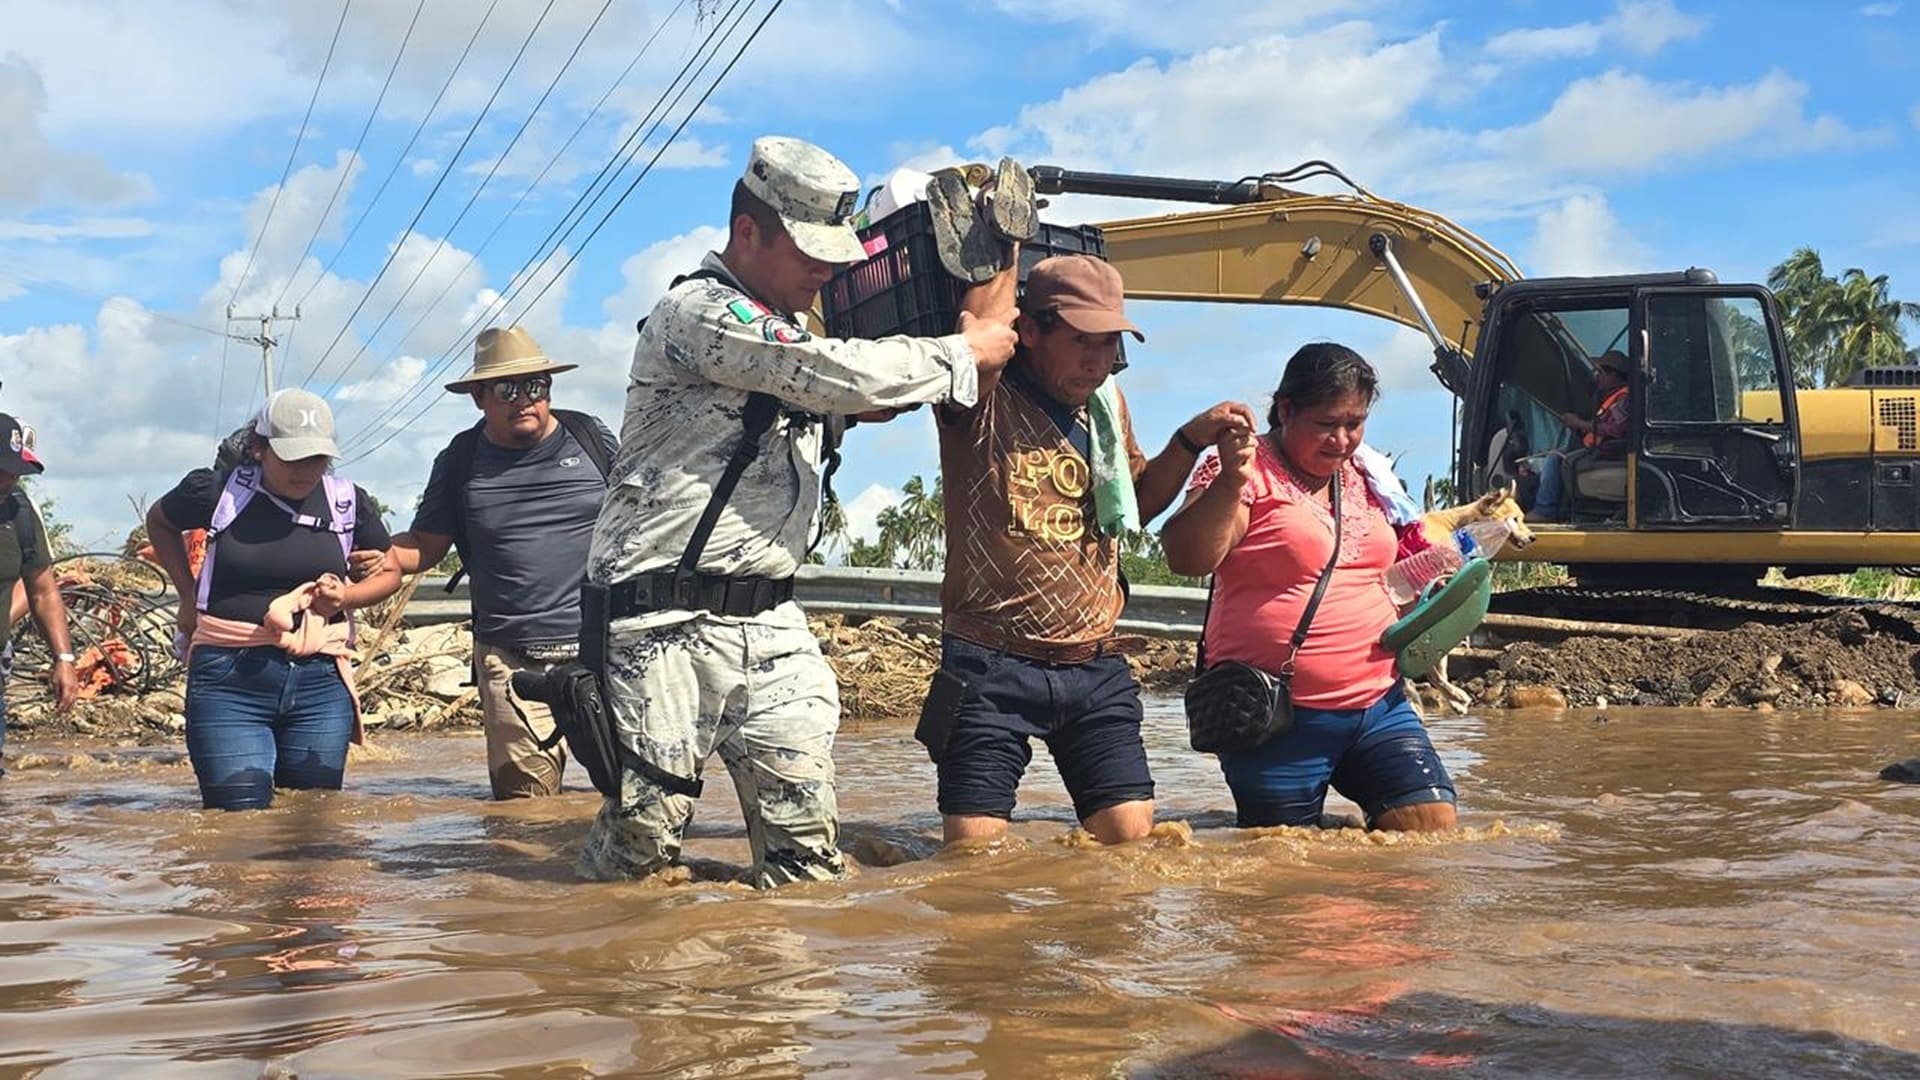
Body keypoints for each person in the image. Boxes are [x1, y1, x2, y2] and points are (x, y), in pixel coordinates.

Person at [576, 135, 1020, 889]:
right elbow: (829, 371)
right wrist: (963, 348)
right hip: (661, 626)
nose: (827, 270)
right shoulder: (698, 314)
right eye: (808, 251)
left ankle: (783, 1001)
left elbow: (866, 396)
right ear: (747, 232)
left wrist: (994, 274)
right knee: (639, 854)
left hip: (770, 623)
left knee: (807, 860)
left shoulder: (795, 337)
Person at [927, 253, 1255, 846]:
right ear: (1028, 331)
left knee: (1130, 845)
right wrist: (1003, 246)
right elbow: (978, 339)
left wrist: (1190, 440)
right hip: (989, 660)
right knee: (974, 858)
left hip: (1093, 662)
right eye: (1081, 341)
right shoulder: (982, 397)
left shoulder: (1106, 404)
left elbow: (1134, 503)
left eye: (1108, 345)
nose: (1097, 361)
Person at [1160, 343, 1457, 832]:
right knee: (1284, 868)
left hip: (1379, 703)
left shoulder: (1368, 474)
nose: (1342, 440)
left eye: (1355, 423)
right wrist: (1231, 483)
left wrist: (1433, 581)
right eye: (1326, 424)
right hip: (1273, 717)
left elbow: (1382, 568)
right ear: (1286, 410)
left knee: (1429, 828)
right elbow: (1186, 557)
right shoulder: (1242, 470)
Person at [349, 326, 614, 799]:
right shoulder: (461, 459)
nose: (524, 400)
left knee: (629, 794)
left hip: (606, 651)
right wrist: (383, 555)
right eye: (507, 389)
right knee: (524, 813)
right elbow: (426, 546)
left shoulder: (590, 437)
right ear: (478, 397)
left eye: (536, 386)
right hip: (511, 660)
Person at [146, 389, 402, 810]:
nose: (305, 471)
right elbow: (159, 521)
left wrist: (347, 596)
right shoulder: (218, 492)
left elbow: (389, 570)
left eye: (316, 458)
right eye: (292, 458)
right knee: (237, 817)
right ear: (259, 449)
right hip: (231, 679)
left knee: (312, 816)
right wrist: (188, 597)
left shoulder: (347, 502)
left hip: (321, 683)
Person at [0, 414, 79, 775]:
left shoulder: (19, 512)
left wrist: (63, 658)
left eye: (14, 470)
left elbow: (43, 590)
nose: (10, 479)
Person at [1527, 349, 1631, 522]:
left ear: (1614, 375)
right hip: (1598, 450)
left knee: (1555, 458)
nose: (1597, 377)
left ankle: (1544, 510)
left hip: (1607, 454)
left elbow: (1618, 430)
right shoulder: (1612, 397)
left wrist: (1579, 424)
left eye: (1601, 373)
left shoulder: (1624, 399)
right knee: (1544, 460)